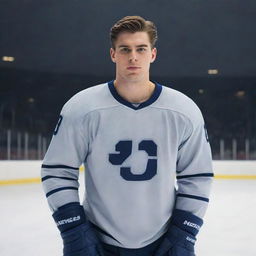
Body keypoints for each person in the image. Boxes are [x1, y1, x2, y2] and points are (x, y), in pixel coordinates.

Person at [41, 16, 213, 256]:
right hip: (97, 239)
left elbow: (197, 176)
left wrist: (184, 234)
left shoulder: (183, 111)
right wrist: (73, 230)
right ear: (113, 54)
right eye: (125, 49)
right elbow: (58, 170)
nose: (133, 56)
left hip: (163, 242)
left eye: (141, 49)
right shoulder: (82, 108)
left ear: (153, 54)